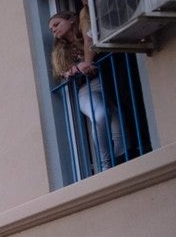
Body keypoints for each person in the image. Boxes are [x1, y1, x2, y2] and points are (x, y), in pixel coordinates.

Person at [49, 9, 124, 171]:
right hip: (87, 89)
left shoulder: (87, 35)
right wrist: (76, 68)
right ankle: (105, 164)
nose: (54, 30)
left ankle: (118, 166)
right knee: (100, 115)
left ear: (71, 20)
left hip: (109, 84)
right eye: (51, 29)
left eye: (56, 24)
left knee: (121, 136)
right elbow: (63, 73)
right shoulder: (61, 52)